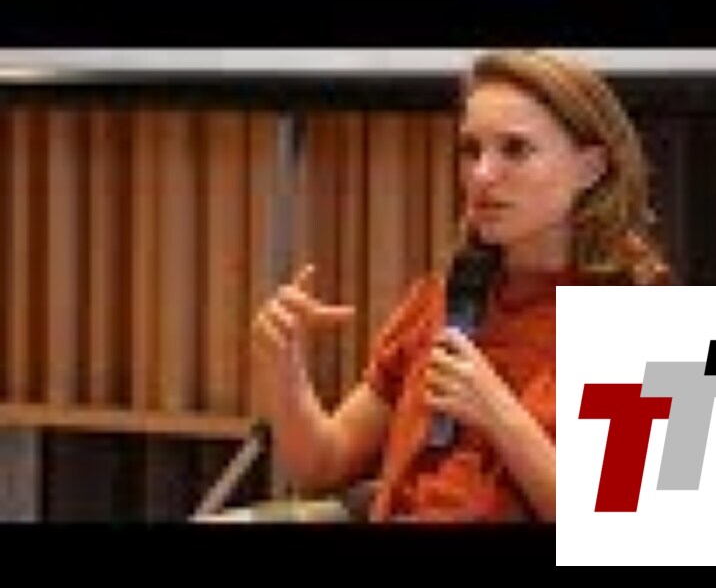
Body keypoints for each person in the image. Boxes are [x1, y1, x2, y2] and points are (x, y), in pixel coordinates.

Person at [249, 49, 672, 523]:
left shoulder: (639, 323)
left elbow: (620, 523)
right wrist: (284, 365)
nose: (482, 175)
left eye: (515, 149)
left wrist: (499, 415)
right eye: (471, 150)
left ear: (590, 168)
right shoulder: (442, 301)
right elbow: (322, 467)